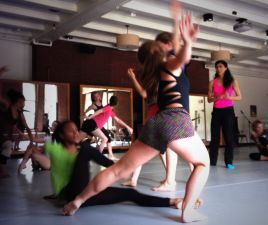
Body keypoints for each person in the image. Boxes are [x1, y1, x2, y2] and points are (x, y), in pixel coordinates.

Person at [63, 14, 209, 223]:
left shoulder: (155, 73)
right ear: (162, 52)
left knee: (117, 171)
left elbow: (180, 59)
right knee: (203, 163)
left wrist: (182, 40)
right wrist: (187, 42)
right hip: (175, 120)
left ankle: (77, 201)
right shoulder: (169, 66)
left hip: (156, 123)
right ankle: (188, 211)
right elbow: (183, 58)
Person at [44, 120, 184, 209]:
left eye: (76, 130)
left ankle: (171, 202)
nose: (76, 133)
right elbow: (44, 160)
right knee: (87, 149)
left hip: (86, 195)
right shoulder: (56, 149)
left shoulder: (79, 152)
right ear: (62, 136)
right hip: (70, 194)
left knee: (130, 193)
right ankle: (118, 168)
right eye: (71, 131)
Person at [122, 0, 182, 191]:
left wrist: (176, 21)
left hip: (165, 111)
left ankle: (170, 180)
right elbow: (144, 93)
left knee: (167, 147)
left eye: (160, 45)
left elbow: (179, 50)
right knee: (147, 146)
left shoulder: (169, 64)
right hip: (155, 110)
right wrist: (133, 78)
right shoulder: (155, 70)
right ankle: (136, 179)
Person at [208, 60, 242, 169]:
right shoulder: (212, 82)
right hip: (216, 111)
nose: (218, 69)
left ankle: (229, 162)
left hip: (228, 111)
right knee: (214, 138)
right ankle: (212, 161)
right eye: (216, 67)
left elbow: (239, 97)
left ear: (226, 68)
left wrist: (229, 97)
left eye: (220, 66)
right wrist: (216, 97)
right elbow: (209, 99)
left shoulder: (232, 81)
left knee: (229, 137)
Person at [81, 95, 133, 160]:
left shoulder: (109, 110)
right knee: (105, 139)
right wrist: (90, 117)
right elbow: (99, 111)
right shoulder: (108, 107)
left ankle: (102, 155)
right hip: (92, 124)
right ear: (116, 104)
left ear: (110, 100)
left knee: (77, 139)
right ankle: (97, 157)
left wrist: (127, 127)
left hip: (89, 123)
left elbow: (118, 120)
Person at [0, 89, 33, 177]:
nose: (24, 104)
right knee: (8, 146)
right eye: (23, 101)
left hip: (6, 136)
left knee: (8, 147)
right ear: (19, 101)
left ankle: (2, 171)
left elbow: (27, 128)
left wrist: (31, 141)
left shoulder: (20, 113)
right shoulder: (8, 106)